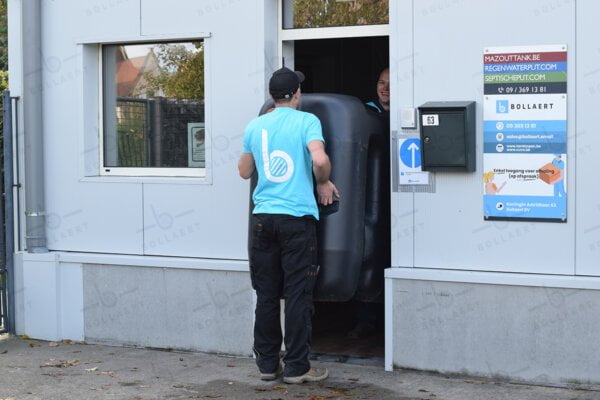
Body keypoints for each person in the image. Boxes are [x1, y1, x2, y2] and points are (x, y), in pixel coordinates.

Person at [238, 67, 340, 384]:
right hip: (296, 219)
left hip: (263, 219)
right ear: (297, 94)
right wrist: (323, 181)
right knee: (297, 295)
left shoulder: (256, 125)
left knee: (266, 295)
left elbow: (243, 171)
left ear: (271, 95)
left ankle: (268, 365)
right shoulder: (307, 121)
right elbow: (320, 161)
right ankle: (297, 368)